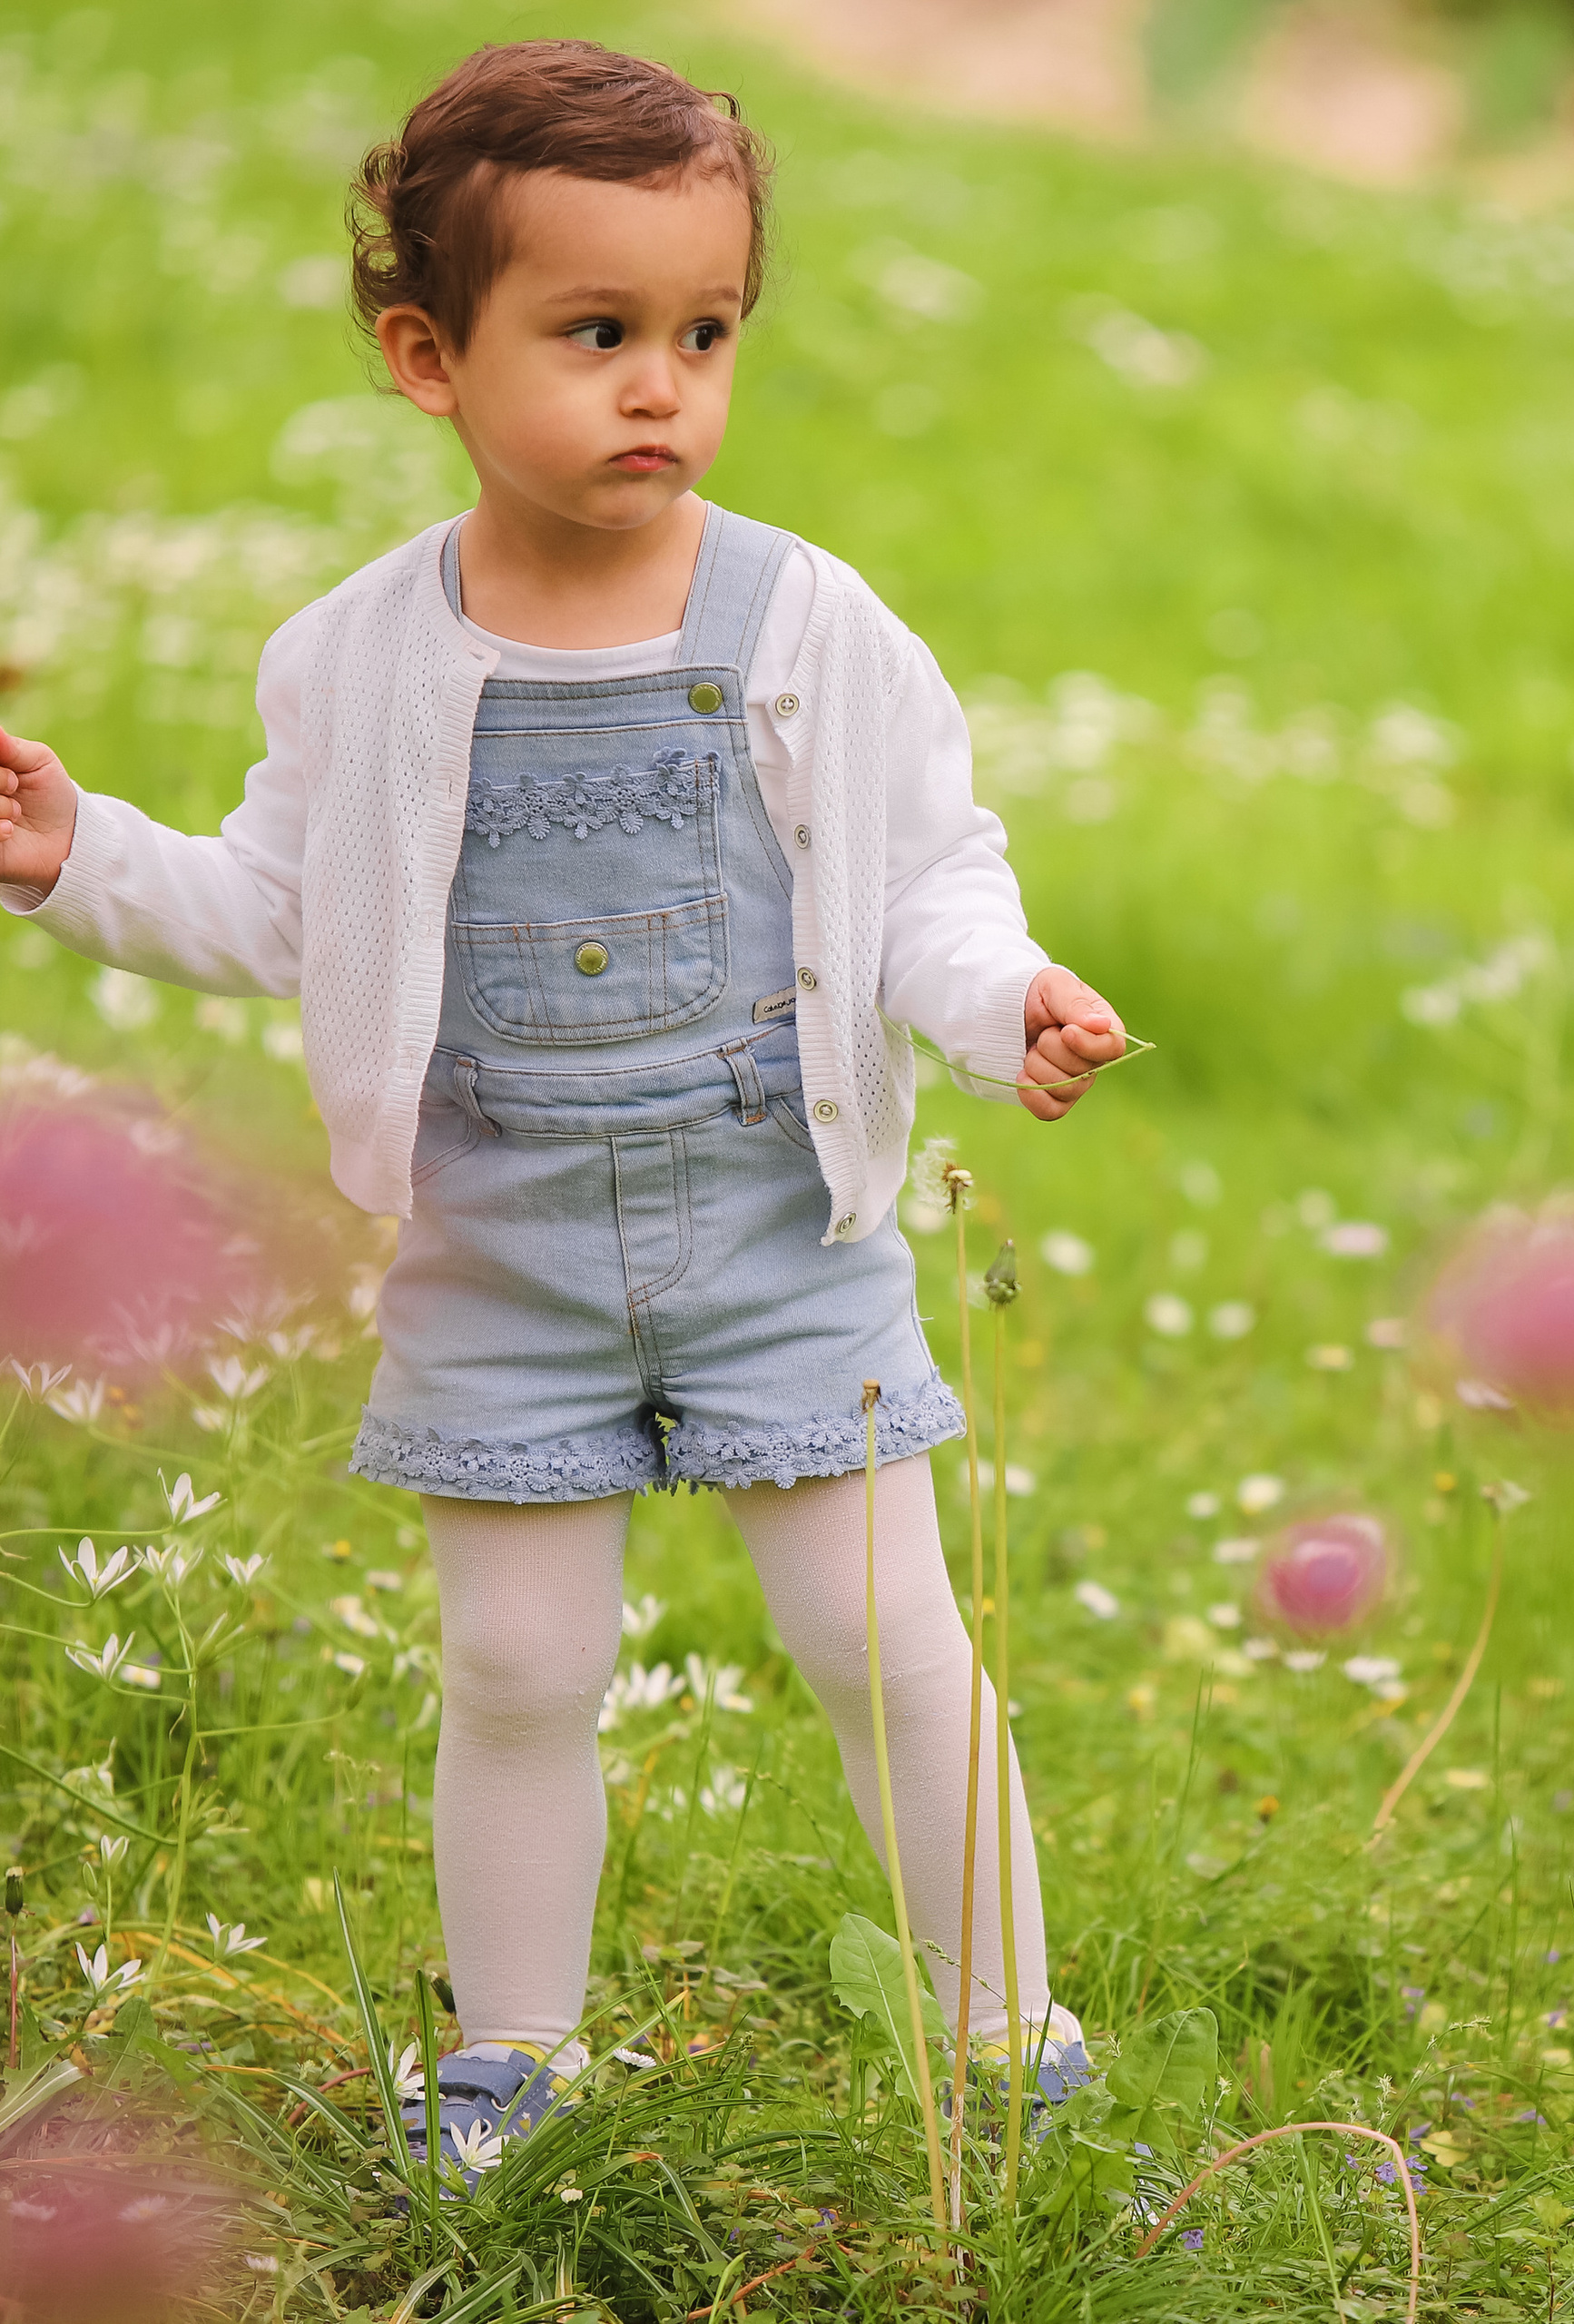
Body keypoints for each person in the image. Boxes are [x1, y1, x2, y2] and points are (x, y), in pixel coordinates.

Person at [0, 39, 1126, 2185]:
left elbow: (922, 881)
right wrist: (79, 857)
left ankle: (1003, 2039)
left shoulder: (808, 623)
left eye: (705, 335)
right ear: (428, 356)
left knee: (887, 1633)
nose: (661, 389)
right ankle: (512, 2063)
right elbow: (279, 911)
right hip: (494, 1236)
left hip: (772, 1219)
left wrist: (1002, 1005)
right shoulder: (357, 658)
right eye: (594, 333)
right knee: (516, 1660)